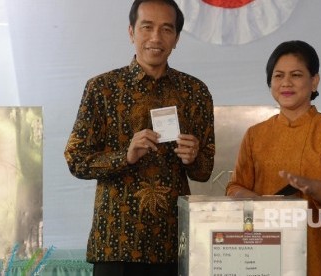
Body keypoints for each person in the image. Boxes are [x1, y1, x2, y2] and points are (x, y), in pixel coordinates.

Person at [64, 0, 215, 275]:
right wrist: (126, 156)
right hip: (115, 244)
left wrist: (194, 158)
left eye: (166, 29)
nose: (156, 37)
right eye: (147, 27)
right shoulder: (102, 89)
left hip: (174, 244)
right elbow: (76, 160)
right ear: (132, 31)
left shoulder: (195, 92)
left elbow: (204, 172)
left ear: (177, 38)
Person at [226, 40, 321, 275]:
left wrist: (312, 186)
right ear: (270, 82)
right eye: (278, 76)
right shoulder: (255, 134)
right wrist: (256, 201)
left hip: (318, 249)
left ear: (314, 81)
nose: (286, 83)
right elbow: (235, 186)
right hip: (265, 248)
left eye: (296, 75)